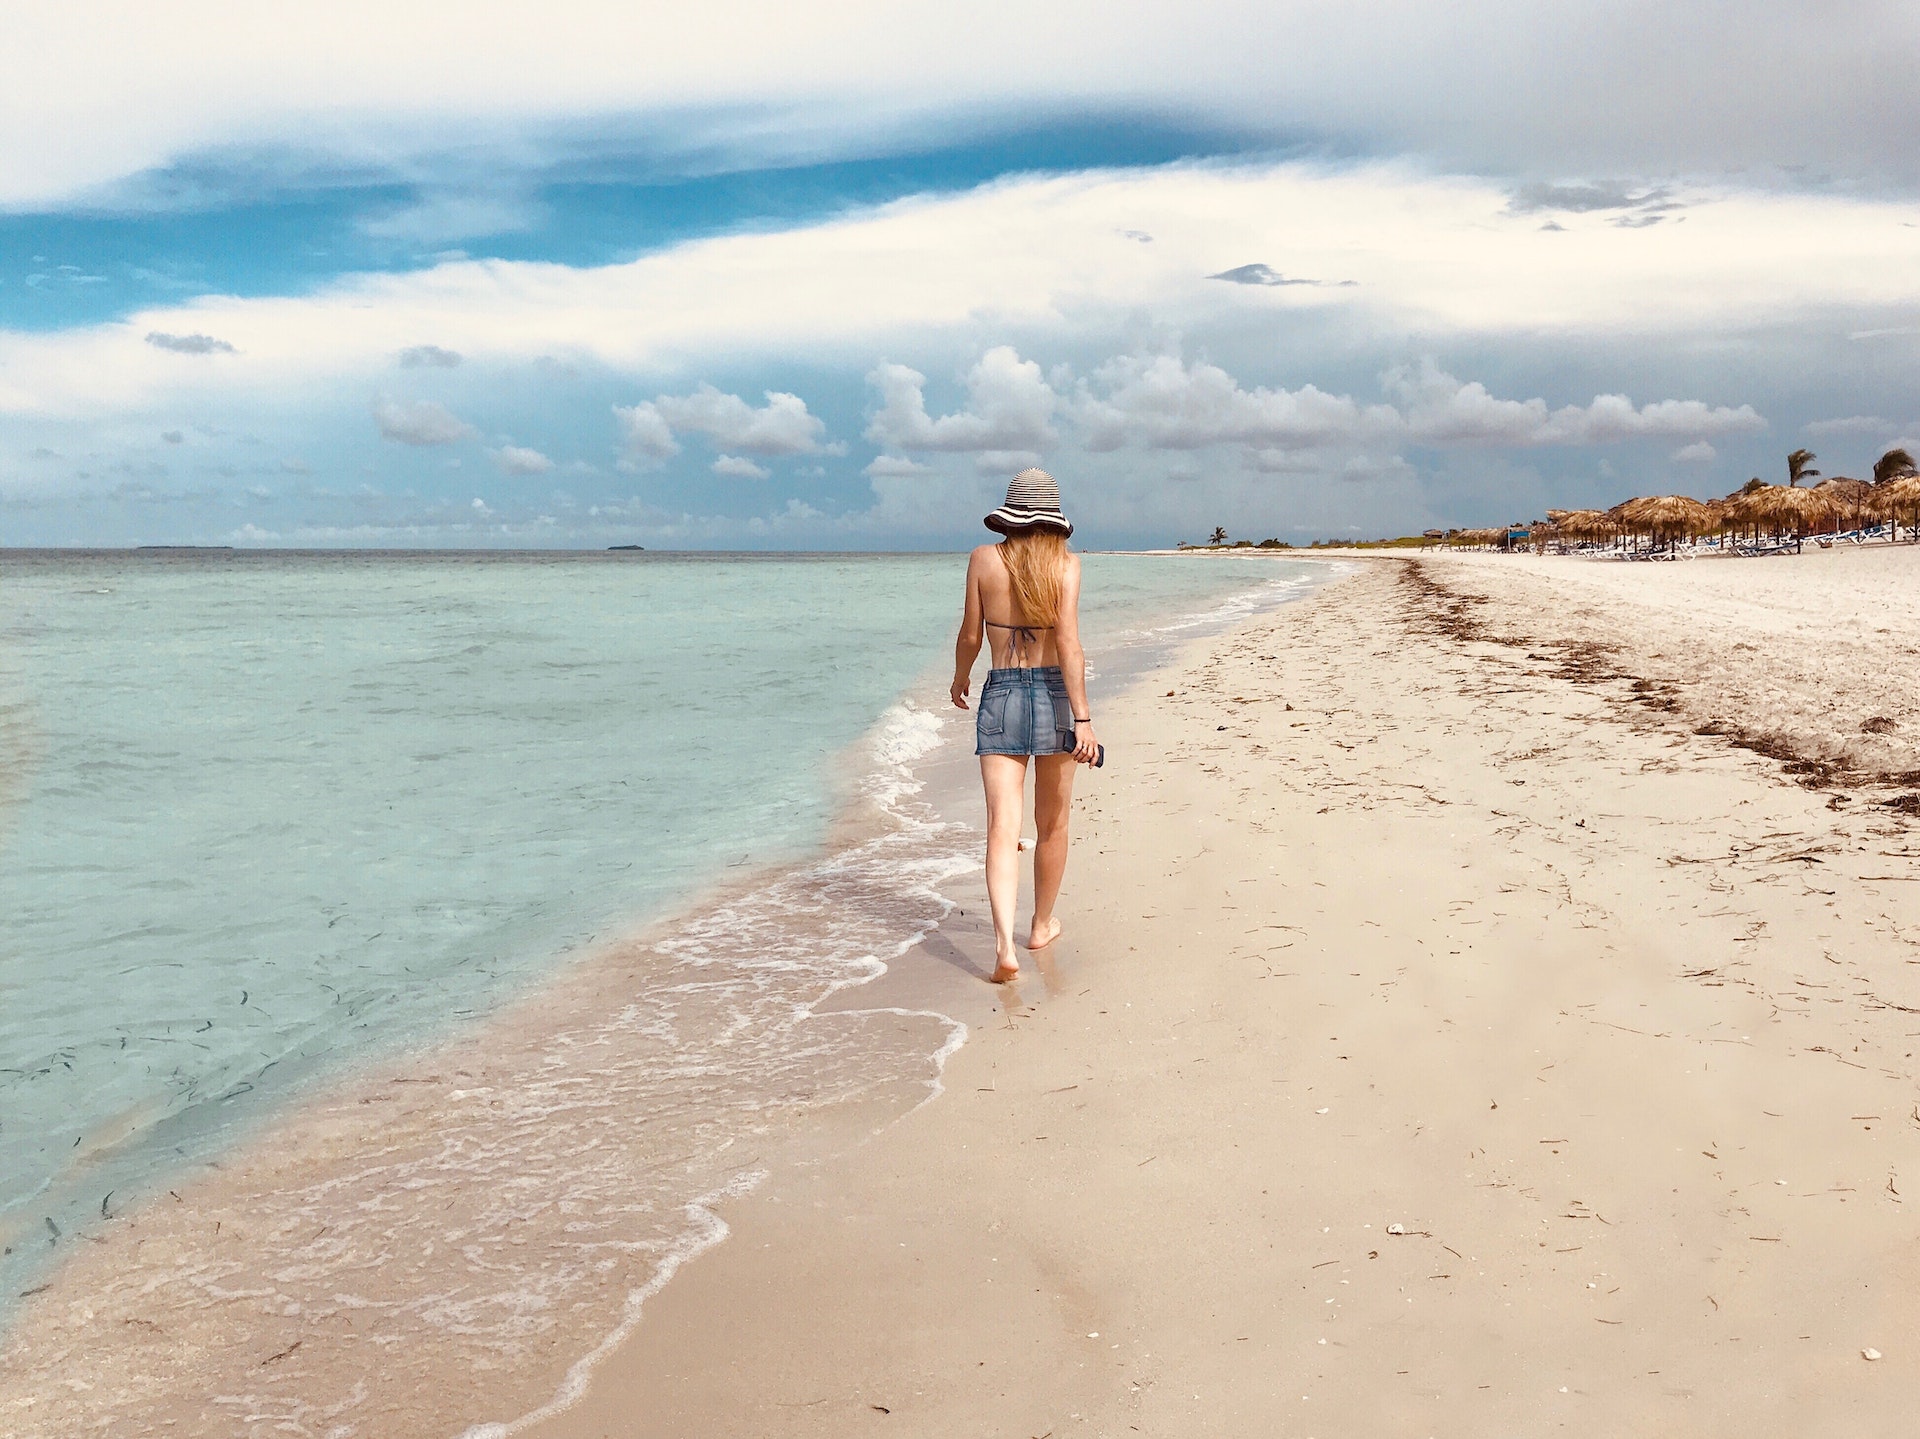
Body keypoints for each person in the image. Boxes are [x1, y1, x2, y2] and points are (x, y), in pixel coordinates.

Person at [949, 469, 1099, 983]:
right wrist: (1084, 720)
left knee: (1001, 827)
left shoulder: (982, 559)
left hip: (1003, 692)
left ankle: (1001, 947)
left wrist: (959, 679)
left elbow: (970, 635)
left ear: (1009, 516)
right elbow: (1071, 646)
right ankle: (1038, 926)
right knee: (1053, 822)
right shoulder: (1067, 566)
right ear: (1054, 519)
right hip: (1057, 693)